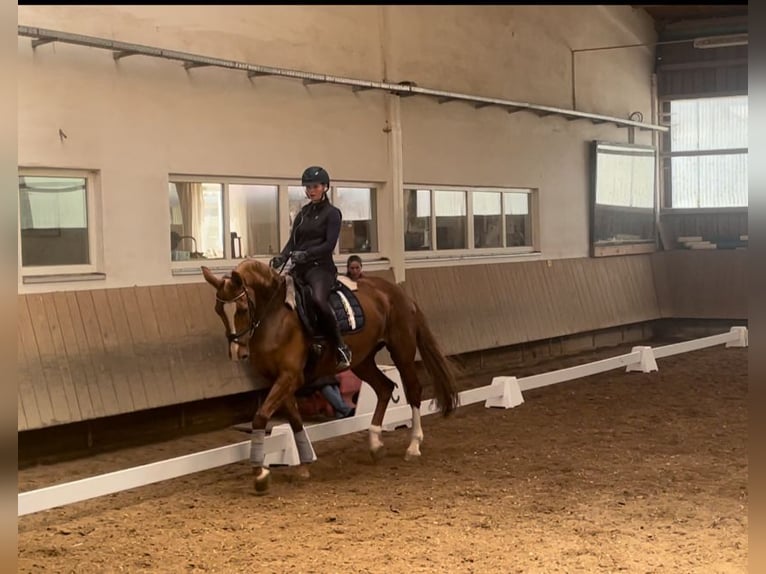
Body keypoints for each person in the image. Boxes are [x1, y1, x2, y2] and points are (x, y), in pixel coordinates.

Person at [270, 166, 352, 372]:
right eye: (307, 187)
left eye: (314, 186)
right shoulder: (303, 213)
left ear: (324, 187)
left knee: (317, 299)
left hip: (320, 268)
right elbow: (292, 241)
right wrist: (282, 256)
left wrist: (307, 254)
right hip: (300, 267)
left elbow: (329, 244)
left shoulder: (333, 214)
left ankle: (340, 346)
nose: (311, 190)